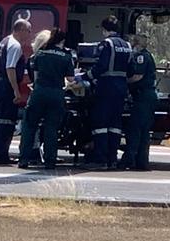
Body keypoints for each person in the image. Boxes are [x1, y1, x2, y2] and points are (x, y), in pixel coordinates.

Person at [18, 28, 75, 170]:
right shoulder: (66, 56)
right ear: (62, 41)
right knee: (52, 128)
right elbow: (70, 79)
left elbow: (35, 77)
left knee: (29, 126)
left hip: (39, 93)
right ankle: (50, 161)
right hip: (56, 94)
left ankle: (24, 159)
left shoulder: (40, 54)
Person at [0, 19, 31, 165]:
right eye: (28, 31)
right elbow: (11, 68)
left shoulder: (4, 41)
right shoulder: (15, 46)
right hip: (8, 85)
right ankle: (1, 155)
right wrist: (16, 90)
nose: (29, 34)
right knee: (7, 120)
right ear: (20, 29)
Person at [84, 15, 132, 170]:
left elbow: (101, 66)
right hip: (121, 88)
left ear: (104, 30)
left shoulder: (106, 44)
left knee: (101, 124)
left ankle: (100, 159)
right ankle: (112, 159)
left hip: (106, 87)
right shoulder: (127, 45)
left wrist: (85, 77)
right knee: (115, 125)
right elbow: (130, 70)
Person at [120, 34, 158, 171]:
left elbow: (138, 76)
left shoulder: (141, 57)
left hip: (143, 97)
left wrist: (122, 80)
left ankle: (129, 159)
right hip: (147, 97)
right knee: (143, 131)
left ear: (136, 44)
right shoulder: (147, 55)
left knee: (135, 129)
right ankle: (141, 162)